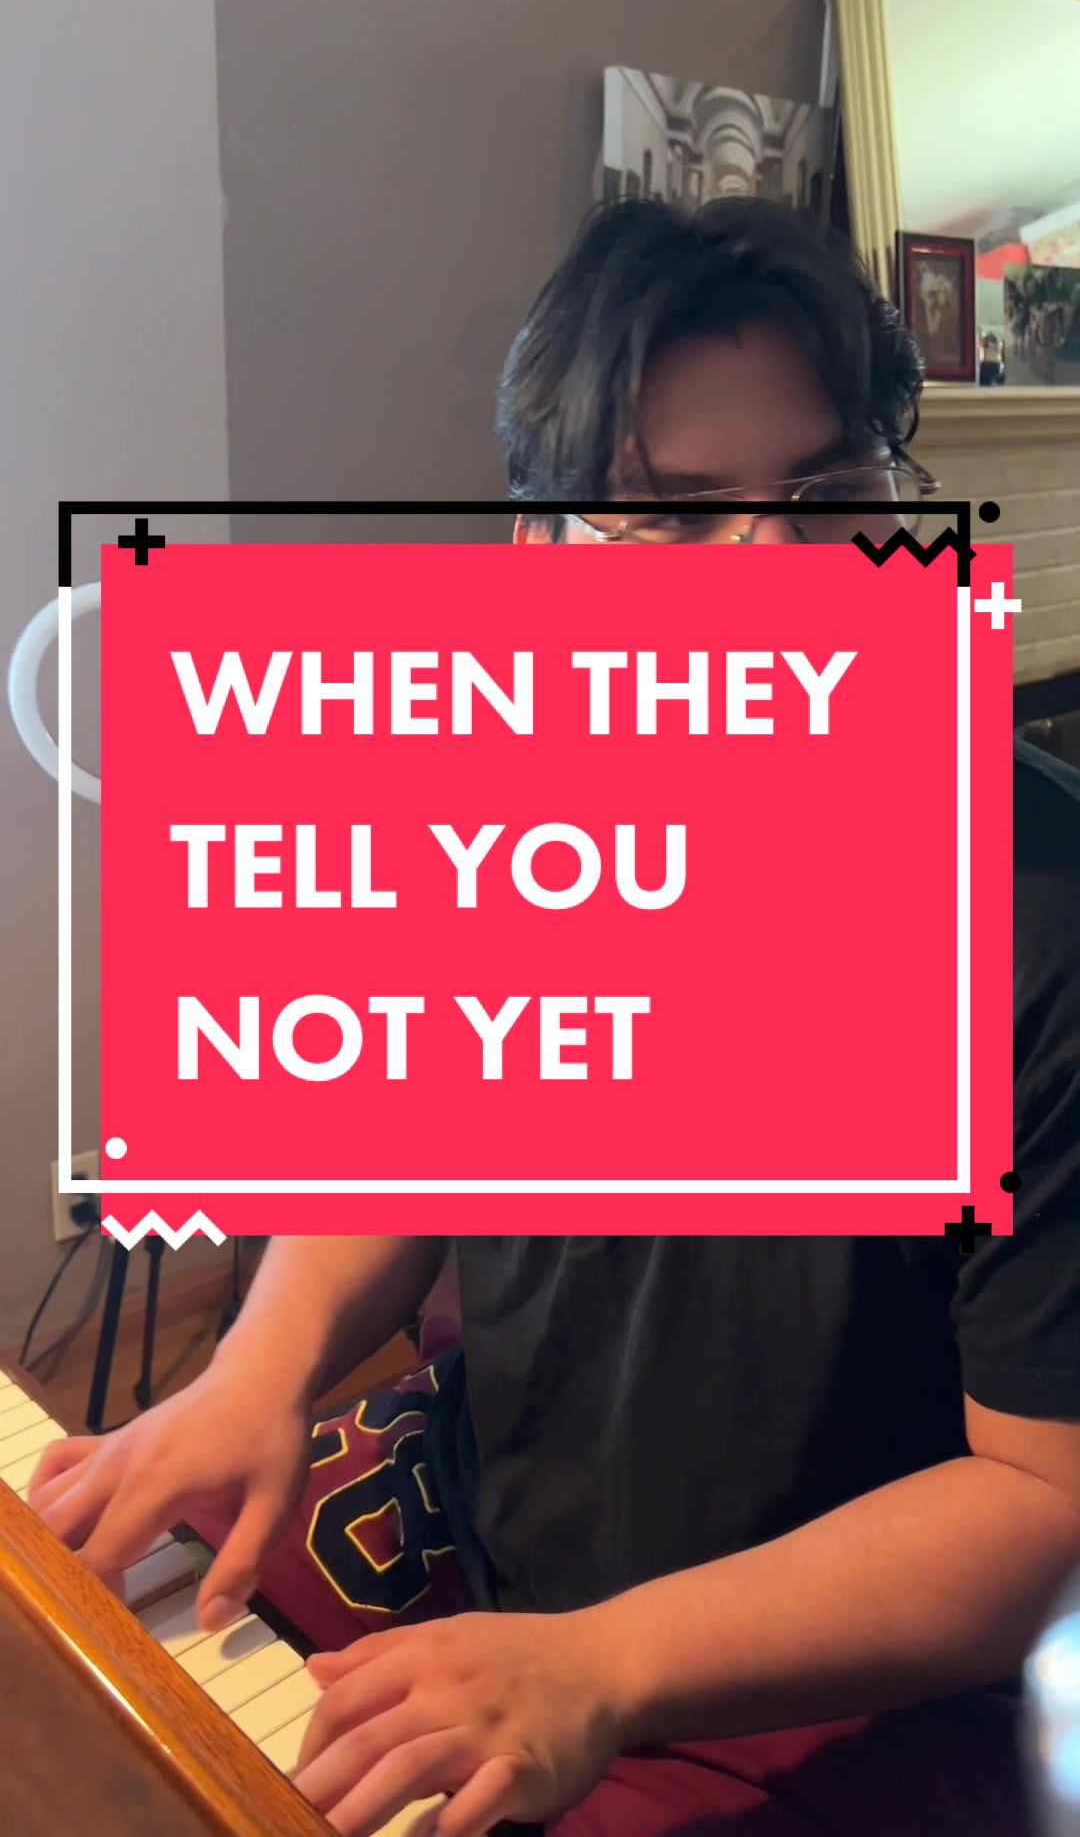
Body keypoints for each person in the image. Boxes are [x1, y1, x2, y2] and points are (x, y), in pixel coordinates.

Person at [29, 200, 1080, 1837]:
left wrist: (604, 1663)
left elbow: (1042, 1500)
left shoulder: (1043, 921)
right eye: (672, 514)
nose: (777, 572)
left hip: (838, 1660)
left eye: (833, 495)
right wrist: (256, 1368)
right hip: (501, 1528)